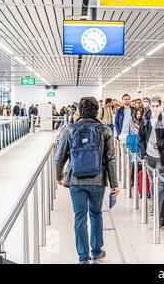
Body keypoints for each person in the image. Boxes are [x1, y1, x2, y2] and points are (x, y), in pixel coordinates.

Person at [55, 97, 120, 264]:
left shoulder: (69, 129)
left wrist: (59, 177)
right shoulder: (104, 130)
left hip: (76, 180)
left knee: (79, 217)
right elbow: (111, 159)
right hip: (98, 180)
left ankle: (83, 258)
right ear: (96, 111)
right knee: (96, 213)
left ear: (79, 110)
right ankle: (96, 250)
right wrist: (115, 184)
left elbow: (58, 158)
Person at [138, 96, 164, 199]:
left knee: (160, 183)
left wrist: (160, 144)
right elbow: (141, 138)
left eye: (157, 106)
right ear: (150, 107)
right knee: (152, 182)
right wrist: (143, 154)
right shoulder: (145, 120)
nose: (155, 108)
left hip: (161, 156)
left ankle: (159, 207)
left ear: (160, 107)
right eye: (153, 106)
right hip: (149, 156)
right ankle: (154, 206)